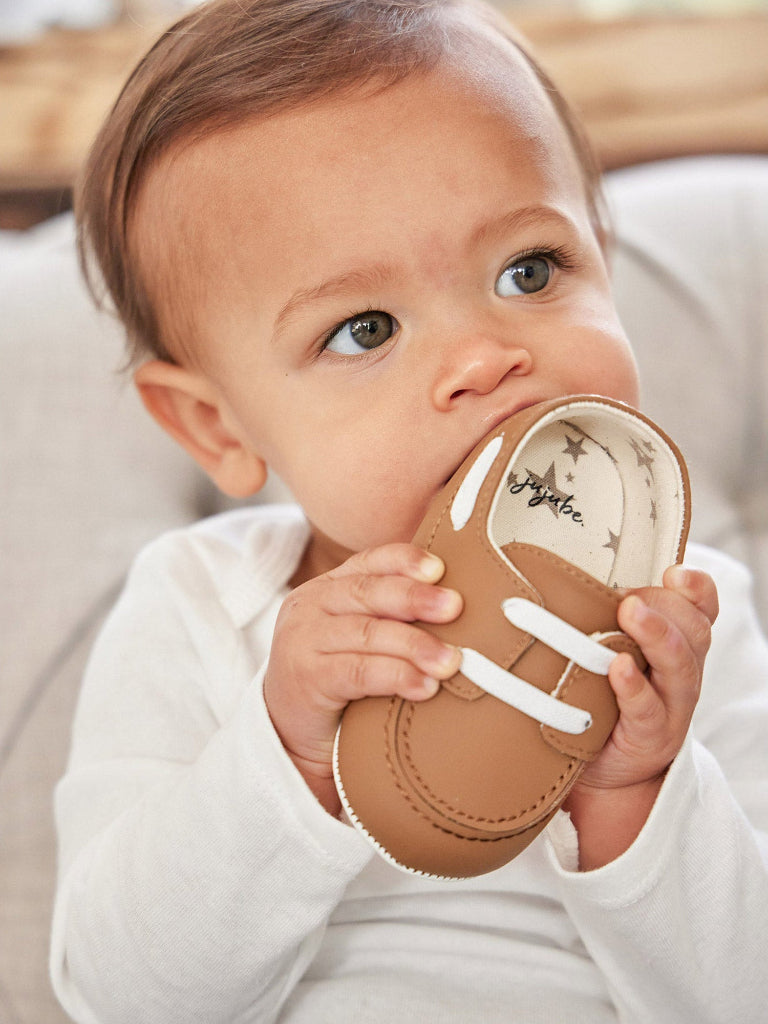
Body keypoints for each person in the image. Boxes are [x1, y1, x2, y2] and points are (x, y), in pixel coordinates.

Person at [51, 1, 768, 1021]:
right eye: (366, 328)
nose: (484, 358)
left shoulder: (687, 620)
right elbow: (117, 998)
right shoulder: (199, 608)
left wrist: (638, 792)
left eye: (531, 270)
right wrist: (285, 755)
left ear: (604, 256)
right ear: (218, 427)